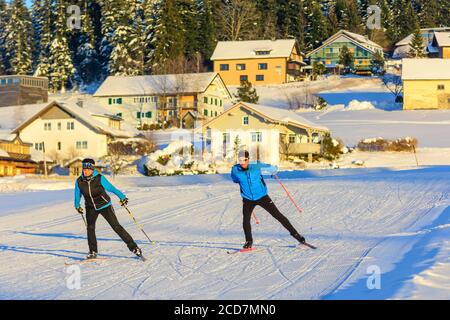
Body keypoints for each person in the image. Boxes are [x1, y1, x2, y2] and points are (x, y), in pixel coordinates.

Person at [231, 150, 306, 249]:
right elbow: (235, 179)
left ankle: (297, 236)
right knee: (246, 220)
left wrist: (273, 170)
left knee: (278, 215)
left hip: (262, 196)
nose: (242, 163)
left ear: (248, 159)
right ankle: (248, 242)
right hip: (247, 199)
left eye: (244, 160)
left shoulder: (256, 166)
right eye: (240, 160)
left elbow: (273, 168)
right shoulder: (235, 170)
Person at [74, 158, 143, 259]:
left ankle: (134, 248)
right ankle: (93, 251)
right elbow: (77, 194)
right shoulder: (79, 181)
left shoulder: (99, 178)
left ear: (92, 169)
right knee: (90, 228)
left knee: (116, 227)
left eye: (88, 169)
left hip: (104, 205)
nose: (86, 171)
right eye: (84, 169)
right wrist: (77, 205)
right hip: (90, 207)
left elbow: (111, 188)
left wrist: (122, 197)